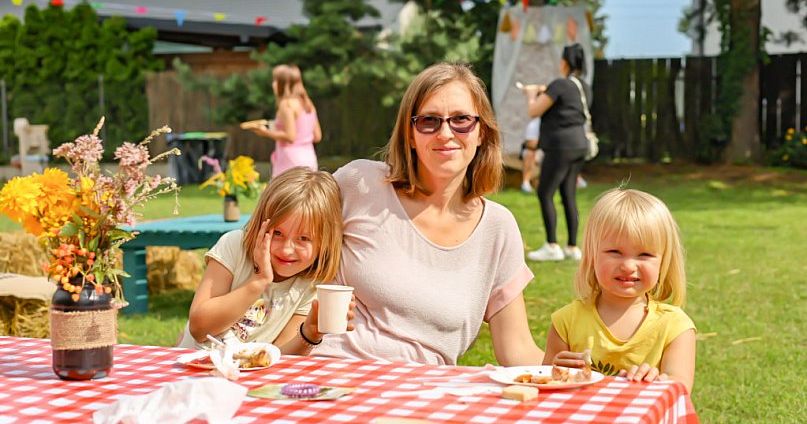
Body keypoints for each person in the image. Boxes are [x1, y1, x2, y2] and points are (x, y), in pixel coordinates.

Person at [313, 61, 544, 366]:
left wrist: (596, 375)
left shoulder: (498, 229)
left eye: (461, 119)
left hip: (422, 396)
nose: (445, 133)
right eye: (429, 121)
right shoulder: (358, 184)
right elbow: (277, 241)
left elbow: (518, 350)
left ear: (481, 133)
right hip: (327, 374)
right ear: (409, 134)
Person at [177, 167, 351, 355]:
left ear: (325, 242)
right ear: (261, 223)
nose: (286, 249)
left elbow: (279, 356)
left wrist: (310, 333)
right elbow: (199, 328)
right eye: (277, 233)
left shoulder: (311, 285)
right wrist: (258, 281)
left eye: (304, 239)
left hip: (248, 378)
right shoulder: (234, 246)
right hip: (196, 368)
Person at [544, 188, 696, 393]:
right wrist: (556, 371)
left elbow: (680, 388)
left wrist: (659, 380)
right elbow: (545, 386)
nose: (628, 266)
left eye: (644, 254)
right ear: (592, 255)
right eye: (615, 252)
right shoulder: (567, 322)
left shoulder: (675, 326)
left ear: (664, 262)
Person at [521, 43, 590, 262]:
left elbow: (534, 110)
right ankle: (572, 246)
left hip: (560, 146)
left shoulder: (559, 84)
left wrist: (531, 94)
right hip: (579, 145)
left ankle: (552, 245)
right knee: (568, 194)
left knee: (544, 192)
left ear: (564, 63)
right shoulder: (584, 86)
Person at [245, 64, 322, 178]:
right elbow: (317, 136)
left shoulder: (286, 105)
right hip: (309, 158)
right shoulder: (307, 103)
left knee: (283, 194)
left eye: (276, 81)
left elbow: (291, 136)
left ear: (285, 84)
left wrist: (264, 132)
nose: (273, 84)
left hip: (290, 160)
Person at [520, 117, 543, 194]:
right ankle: (525, 183)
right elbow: (531, 144)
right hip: (536, 150)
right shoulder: (535, 123)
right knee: (530, 153)